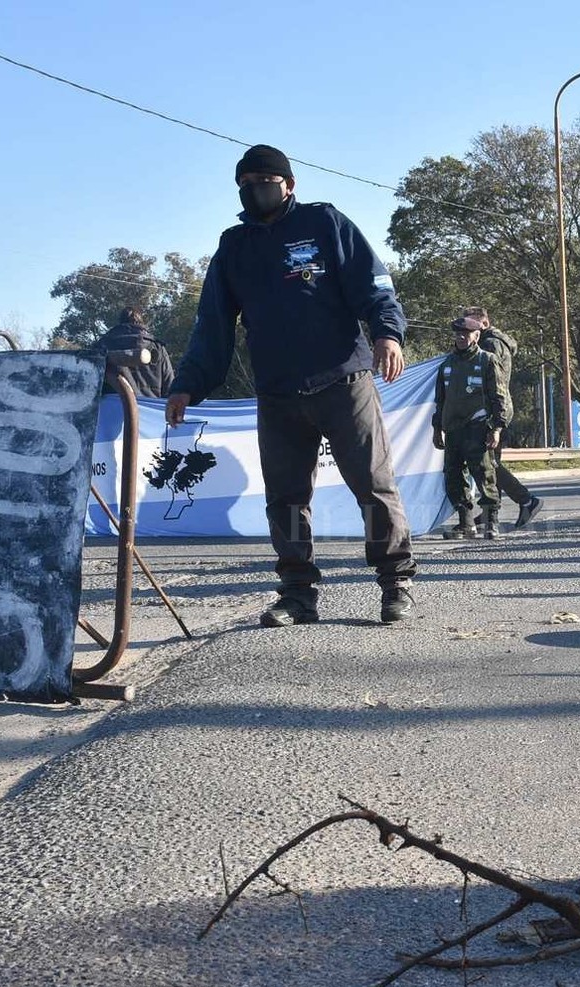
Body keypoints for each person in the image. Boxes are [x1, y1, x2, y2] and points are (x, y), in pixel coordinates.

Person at [164, 144, 416, 626]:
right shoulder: (234, 246)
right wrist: (187, 384)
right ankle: (298, 593)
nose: (254, 190)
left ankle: (395, 583)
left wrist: (387, 333)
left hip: (344, 381)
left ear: (289, 184)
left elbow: (375, 285)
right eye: (245, 184)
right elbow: (211, 326)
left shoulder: (325, 224)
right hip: (278, 393)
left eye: (264, 181)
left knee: (372, 485)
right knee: (286, 498)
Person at [460, 307, 542, 528]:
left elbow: (488, 377)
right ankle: (490, 510)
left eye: (470, 326)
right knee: (489, 462)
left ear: (483, 325)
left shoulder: (490, 344)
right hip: (495, 407)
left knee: (487, 463)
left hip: (492, 408)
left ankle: (526, 500)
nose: (465, 331)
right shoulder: (492, 341)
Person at [433, 315, 509, 539]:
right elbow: (440, 400)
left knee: (485, 475)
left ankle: (491, 523)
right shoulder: (446, 365)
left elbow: (499, 396)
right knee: (453, 478)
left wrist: (497, 427)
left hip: (478, 429)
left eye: (466, 334)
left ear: (476, 336)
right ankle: (466, 524)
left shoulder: (487, 360)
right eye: (458, 334)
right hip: (453, 431)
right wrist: (437, 429)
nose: (461, 337)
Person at [94, 307, 174, 397]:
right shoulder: (157, 348)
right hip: (150, 408)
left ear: (120, 322)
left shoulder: (102, 345)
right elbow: (169, 387)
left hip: (111, 407)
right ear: (141, 323)